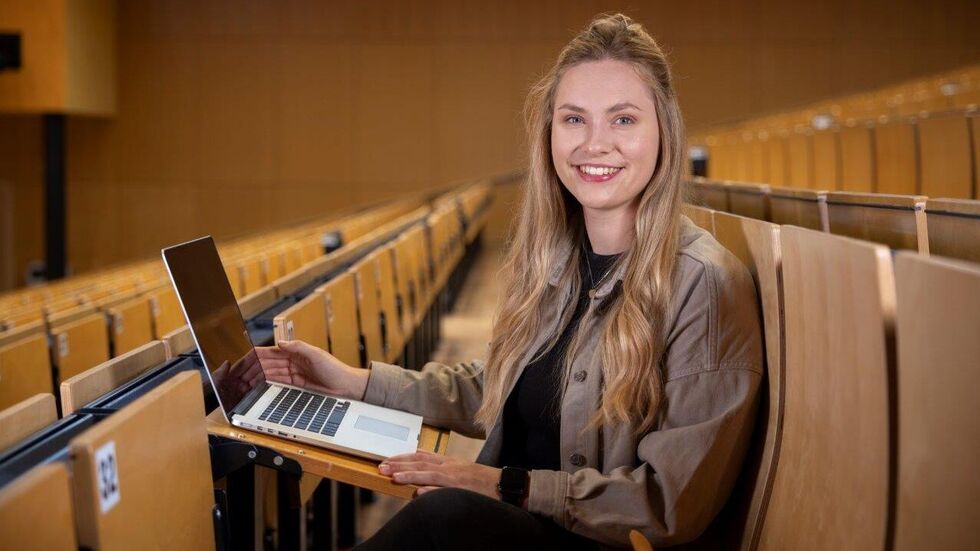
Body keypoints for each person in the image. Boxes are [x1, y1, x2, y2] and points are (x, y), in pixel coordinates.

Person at [257, 13, 762, 550]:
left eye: (623, 120)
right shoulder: (562, 261)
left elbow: (669, 504)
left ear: (664, 130)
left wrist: (497, 483)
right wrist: (353, 382)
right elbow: (500, 386)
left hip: (599, 542)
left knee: (447, 518)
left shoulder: (703, 285)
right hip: (522, 526)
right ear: (549, 134)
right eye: (573, 120)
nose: (595, 143)